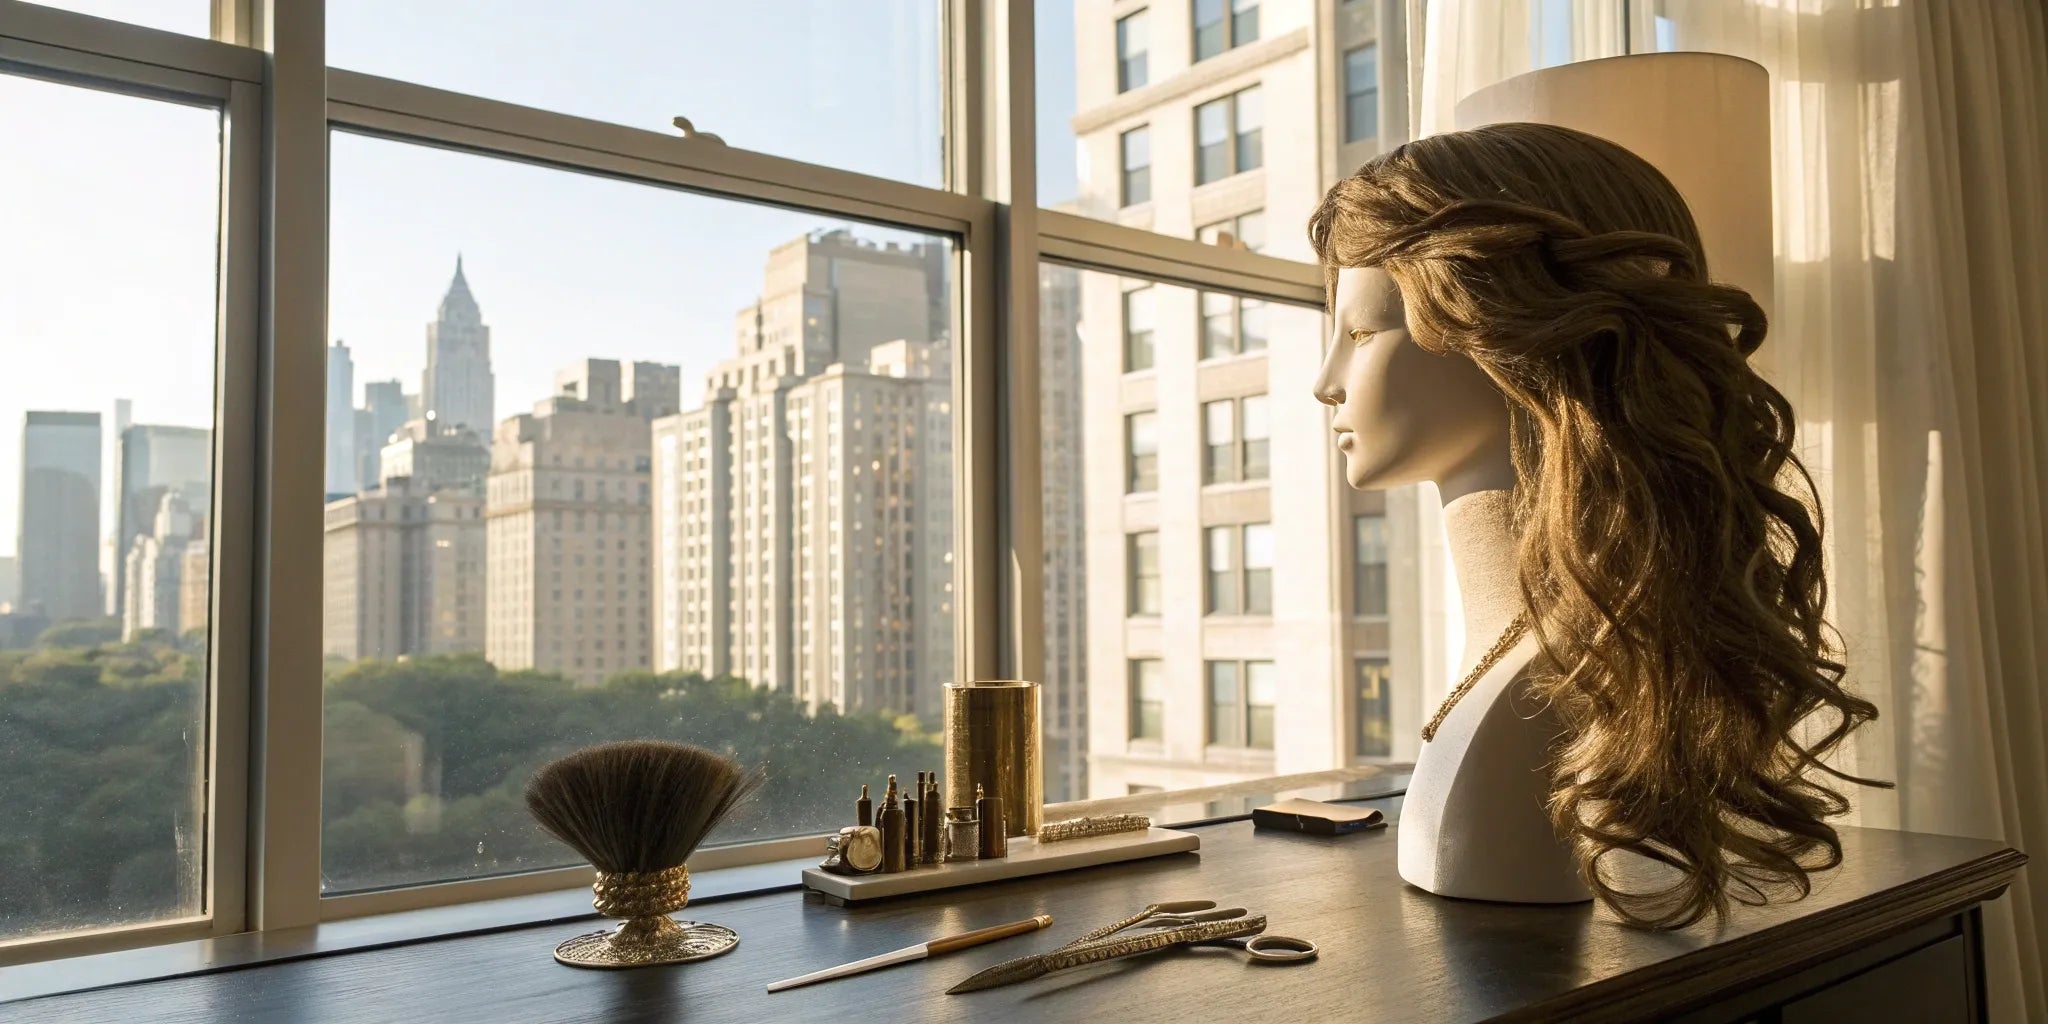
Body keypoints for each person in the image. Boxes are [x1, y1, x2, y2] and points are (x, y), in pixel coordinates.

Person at [1309, 122, 1887, 928]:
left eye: (1365, 333)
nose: (1324, 382)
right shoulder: (1525, 651)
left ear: (1508, 335)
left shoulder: (1552, 674)